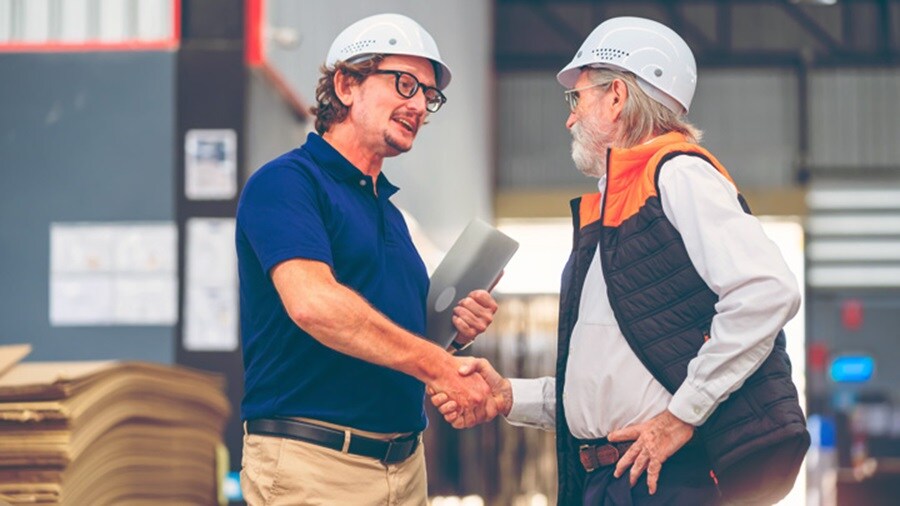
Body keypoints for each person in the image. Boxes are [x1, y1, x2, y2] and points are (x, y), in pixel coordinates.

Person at [432, 16, 809, 505]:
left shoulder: (679, 176)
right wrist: (509, 395)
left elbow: (767, 291)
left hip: (666, 479)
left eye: (578, 97)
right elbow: (607, 386)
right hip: (611, 478)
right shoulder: (616, 210)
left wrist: (682, 416)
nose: (570, 118)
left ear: (617, 97)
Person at [236, 13, 499, 505]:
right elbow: (314, 303)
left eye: (428, 95)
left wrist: (453, 337)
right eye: (405, 84)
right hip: (314, 468)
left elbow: (395, 336)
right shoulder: (287, 185)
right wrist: (437, 365)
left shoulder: (390, 214)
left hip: (403, 466)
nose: (419, 104)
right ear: (347, 83)